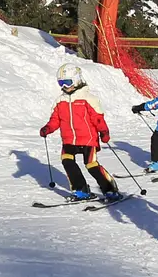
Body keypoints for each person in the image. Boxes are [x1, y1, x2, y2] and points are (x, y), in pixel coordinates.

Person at [39, 62, 121, 201]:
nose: (64, 86)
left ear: (77, 80)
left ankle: (110, 189)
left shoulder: (88, 99)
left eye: (67, 82)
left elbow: (98, 118)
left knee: (91, 165)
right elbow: (55, 120)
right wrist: (48, 128)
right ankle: (81, 189)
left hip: (88, 139)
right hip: (68, 139)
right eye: (61, 83)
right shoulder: (60, 101)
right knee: (67, 161)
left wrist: (104, 132)